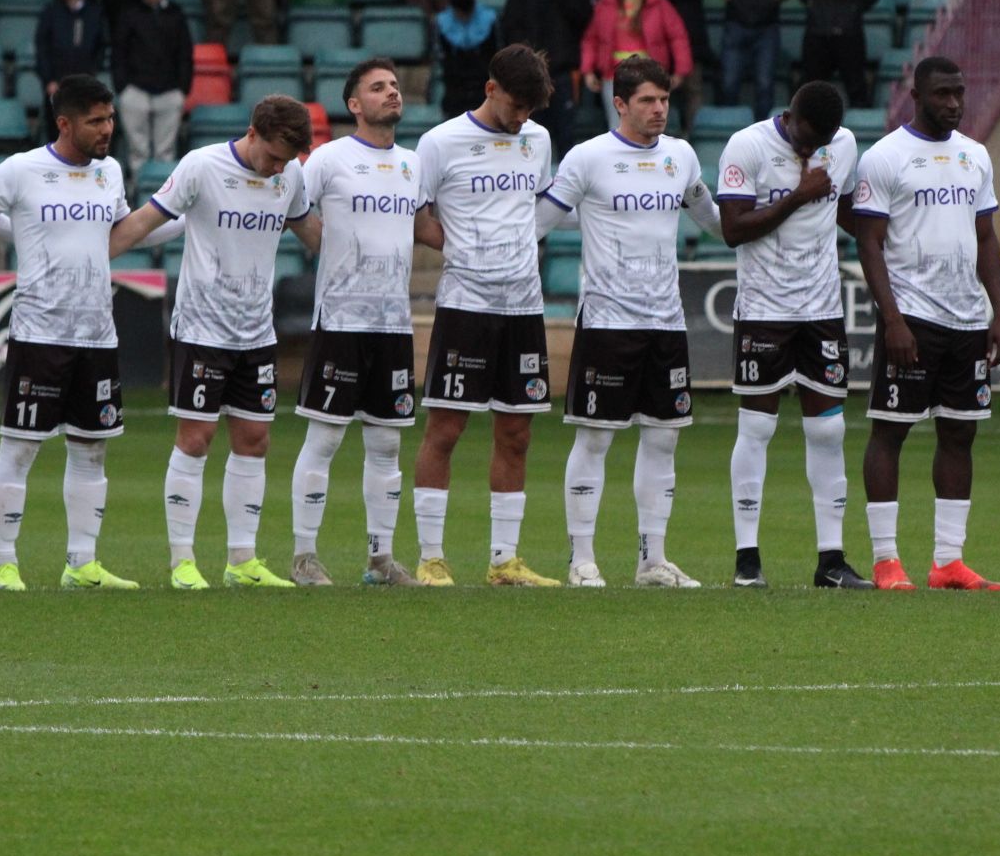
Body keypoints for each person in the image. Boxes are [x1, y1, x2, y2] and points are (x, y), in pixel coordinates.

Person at [107, 95, 321, 590]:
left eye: (286, 160)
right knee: (196, 439)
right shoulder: (201, 167)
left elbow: (313, 234)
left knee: (254, 440)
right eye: (272, 155)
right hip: (202, 329)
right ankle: (183, 561)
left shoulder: (289, 177)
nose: (277, 168)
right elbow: (143, 222)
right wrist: (90, 253)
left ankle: (242, 560)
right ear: (252, 132)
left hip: (256, 331)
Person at [0, 75, 144, 591]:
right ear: (64, 123)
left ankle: (81, 563)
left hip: (98, 335)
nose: (107, 130)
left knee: (91, 448)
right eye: (95, 121)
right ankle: (3, 563)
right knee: (20, 448)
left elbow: (117, 236)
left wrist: (185, 214)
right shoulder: (20, 170)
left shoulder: (111, 173)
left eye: (110, 119)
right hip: (40, 334)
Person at [536, 56, 718, 587]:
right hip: (608, 322)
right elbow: (538, 223)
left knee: (664, 439)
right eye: (647, 101)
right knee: (596, 439)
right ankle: (582, 560)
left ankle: (652, 560)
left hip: (666, 322)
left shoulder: (681, 157)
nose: (659, 109)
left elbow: (714, 222)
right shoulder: (588, 158)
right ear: (620, 103)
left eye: (664, 100)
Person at [852, 55, 1000, 591]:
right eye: (943, 94)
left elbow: (986, 238)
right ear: (916, 96)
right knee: (890, 432)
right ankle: (885, 560)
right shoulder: (885, 158)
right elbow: (868, 242)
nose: (954, 103)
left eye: (959, 93)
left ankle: (948, 561)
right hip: (912, 318)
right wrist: (892, 319)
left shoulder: (975, 156)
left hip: (967, 318)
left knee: (960, 434)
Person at [286, 58, 439, 586]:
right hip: (342, 322)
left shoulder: (413, 163)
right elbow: (293, 207)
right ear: (355, 104)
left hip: (394, 323)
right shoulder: (328, 158)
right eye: (378, 88)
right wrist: (324, 247)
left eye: (395, 86)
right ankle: (304, 557)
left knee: (387, 444)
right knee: (325, 438)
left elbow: (423, 225)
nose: (392, 93)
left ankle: (380, 560)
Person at [411, 43, 559, 586]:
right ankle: (431, 557)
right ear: (490, 89)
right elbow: (415, 213)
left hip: (523, 304)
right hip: (466, 304)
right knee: (446, 429)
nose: (522, 119)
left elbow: (537, 205)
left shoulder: (537, 140)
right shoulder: (441, 142)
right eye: (516, 106)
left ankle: (504, 561)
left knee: (517, 433)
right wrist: (459, 249)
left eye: (531, 110)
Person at [716, 79, 872, 591]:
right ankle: (747, 560)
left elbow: (846, 209)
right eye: (804, 139)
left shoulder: (843, 145)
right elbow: (733, 228)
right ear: (789, 116)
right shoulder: (749, 146)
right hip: (763, 309)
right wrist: (800, 196)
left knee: (829, 431)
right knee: (756, 430)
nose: (811, 150)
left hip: (821, 308)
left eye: (820, 141)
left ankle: (831, 560)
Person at [498, 0, 593, 161]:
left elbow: (583, 20)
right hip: (529, 73)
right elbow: (510, 23)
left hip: (562, 72)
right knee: (529, 134)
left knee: (566, 135)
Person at [579, 0, 692, 128]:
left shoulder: (658, 4)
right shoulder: (606, 4)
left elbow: (678, 37)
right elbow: (590, 39)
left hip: (649, 74)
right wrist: (588, 70)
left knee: (651, 123)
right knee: (617, 126)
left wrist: (680, 70)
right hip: (613, 75)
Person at [110, 0, 194, 173]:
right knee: (138, 153)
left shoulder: (175, 14)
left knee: (165, 153)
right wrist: (123, 87)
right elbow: (118, 53)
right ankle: (138, 196)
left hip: (170, 90)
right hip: (135, 91)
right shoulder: (130, 15)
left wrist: (182, 88)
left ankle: (164, 199)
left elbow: (185, 52)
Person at [34, 0, 107, 98]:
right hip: (56, 86)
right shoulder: (50, 12)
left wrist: (92, 73)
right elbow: (42, 47)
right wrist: (49, 80)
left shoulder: (94, 13)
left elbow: (100, 47)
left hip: (85, 86)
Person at [434, 0, 498, 117]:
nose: (464, 17)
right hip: (455, 85)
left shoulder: (489, 20)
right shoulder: (443, 23)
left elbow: (494, 54)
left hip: (482, 81)